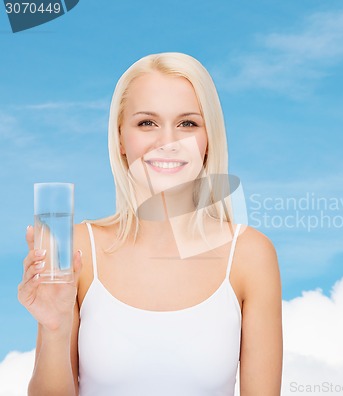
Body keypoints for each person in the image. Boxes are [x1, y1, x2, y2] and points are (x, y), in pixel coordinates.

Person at [19, 52, 283, 396]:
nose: (167, 142)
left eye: (188, 123)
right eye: (147, 123)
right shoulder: (77, 249)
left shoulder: (250, 256)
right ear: (120, 140)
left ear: (208, 139)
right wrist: (53, 328)